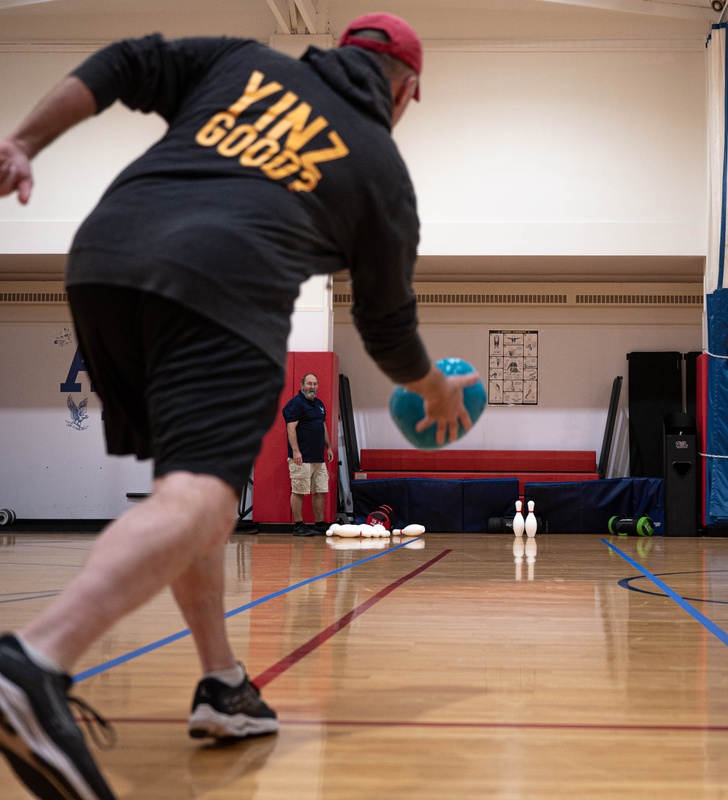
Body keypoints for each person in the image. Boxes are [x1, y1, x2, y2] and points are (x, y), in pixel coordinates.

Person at [0, 13, 479, 800]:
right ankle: (37, 660)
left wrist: (22, 142)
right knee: (203, 495)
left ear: (339, 54)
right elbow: (388, 329)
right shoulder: (379, 168)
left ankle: (222, 683)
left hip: (104, 260)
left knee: (188, 496)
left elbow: (127, 58)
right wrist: (433, 391)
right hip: (222, 288)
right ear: (407, 94)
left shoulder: (243, 62)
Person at [283, 372, 333, 536]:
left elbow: (322, 426)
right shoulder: (295, 404)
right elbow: (291, 429)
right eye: (309, 383)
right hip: (301, 457)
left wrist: (329, 447)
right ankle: (298, 526)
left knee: (320, 489)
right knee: (299, 490)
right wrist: (296, 452)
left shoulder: (319, 404)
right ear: (302, 385)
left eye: (315, 384)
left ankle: (319, 524)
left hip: (318, 456)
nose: (312, 387)